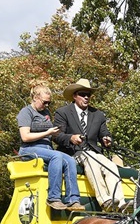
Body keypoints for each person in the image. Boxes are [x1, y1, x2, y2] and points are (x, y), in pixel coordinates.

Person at [53, 78, 127, 211]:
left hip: (94, 153)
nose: (86, 97)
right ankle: (105, 200)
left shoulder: (98, 115)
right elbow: (56, 136)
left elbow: (105, 133)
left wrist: (107, 139)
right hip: (73, 153)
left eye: (89, 95)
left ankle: (121, 203)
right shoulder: (63, 112)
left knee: (111, 165)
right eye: (82, 94)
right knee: (91, 159)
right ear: (75, 96)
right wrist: (71, 138)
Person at [16, 83, 84, 212]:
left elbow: (53, 134)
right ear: (35, 98)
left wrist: (70, 136)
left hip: (47, 149)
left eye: (49, 103)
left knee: (70, 160)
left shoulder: (45, 112)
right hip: (29, 148)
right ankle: (53, 198)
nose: (47, 105)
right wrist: (48, 132)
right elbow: (25, 137)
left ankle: (73, 200)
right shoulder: (26, 112)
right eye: (45, 102)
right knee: (57, 156)